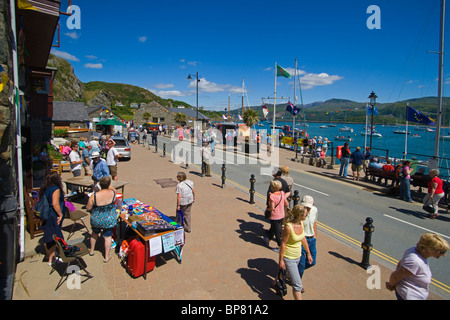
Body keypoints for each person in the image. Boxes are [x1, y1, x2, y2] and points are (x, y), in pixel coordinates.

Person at [386, 233, 449, 300]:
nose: (444, 255)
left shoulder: (413, 250)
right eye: (442, 252)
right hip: (409, 296)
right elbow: (396, 276)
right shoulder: (415, 262)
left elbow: (400, 263)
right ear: (430, 249)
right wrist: (391, 285)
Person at [275, 205, 313, 300]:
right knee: (297, 285)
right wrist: (281, 260)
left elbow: (303, 238)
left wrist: (308, 253)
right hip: (289, 257)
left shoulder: (301, 223)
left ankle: (274, 283)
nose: (307, 215)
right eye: (305, 214)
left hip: (298, 256)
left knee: (284, 272)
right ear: (299, 215)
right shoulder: (288, 227)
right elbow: (283, 244)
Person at [86, 176, 117, 263]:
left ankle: (92, 250)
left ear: (99, 184)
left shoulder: (94, 196)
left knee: (94, 234)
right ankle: (106, 256)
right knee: (107, 237)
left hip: (96, 219)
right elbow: (113, 189)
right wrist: (108, 185)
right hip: (108, 219)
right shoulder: (113, 193)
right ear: (109, 184)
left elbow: (88, 208)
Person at [39, 172, 66, 266]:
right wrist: (60, 214)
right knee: (54, 236)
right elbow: (55, 204)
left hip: (48, 215)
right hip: (53, 215)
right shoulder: (56, 189)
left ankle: (49, 255)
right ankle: (52, 258)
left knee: (49, 234)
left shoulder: (46, 189)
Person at [263, 180, 289, 252]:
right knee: (273, 228)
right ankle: (268, 239)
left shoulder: (272, 196)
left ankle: (280, 248)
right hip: (281, 214)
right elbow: (286, 204)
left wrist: (267, 209)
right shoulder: (282, 193)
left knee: (277, 233)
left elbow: (272, 208)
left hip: (275, 216)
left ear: (273, 187)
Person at [298, 196, 318, 281]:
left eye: (309, 207)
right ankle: (298, 282)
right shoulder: (299, 212)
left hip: (312, 239)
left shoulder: (315, 210)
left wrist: (315, 236)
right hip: (302, 239)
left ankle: (294, 272)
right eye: (305, 207)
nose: (307, 209)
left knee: (312, 262)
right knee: (302, 264)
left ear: (313, 205)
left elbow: (314, 223)